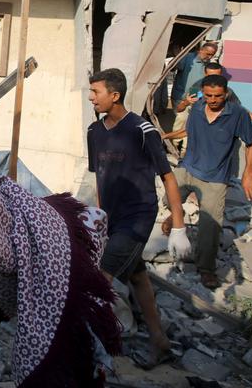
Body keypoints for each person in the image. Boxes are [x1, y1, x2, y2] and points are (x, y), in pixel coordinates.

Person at [87, 68, 190, 369]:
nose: (91, 97)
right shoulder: (94, 131)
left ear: (115, 95)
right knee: (137, 276)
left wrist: (179, 225)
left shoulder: (142, 131)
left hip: (138, 217)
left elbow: (168, 177)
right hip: (112, 218)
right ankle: (160, 342)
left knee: (99, 283)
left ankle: (89, 351)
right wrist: (100, 217)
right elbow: (100, 177)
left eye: (96, 92)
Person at [163, 74, 252, 290]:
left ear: (226, 94)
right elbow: (189, 130)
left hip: (215, 177)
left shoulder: (238, 114)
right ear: (203, 94)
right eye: (208, 96)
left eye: (218, 96)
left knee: (210, 226)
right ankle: (176, 215)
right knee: (168, 199)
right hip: (188, 167)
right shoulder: (197, 108)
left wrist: (248, 174)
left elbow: (251, 144)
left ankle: (206, 268)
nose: (213, 100)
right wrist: (167, 135)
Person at [175, 62, 252, 137]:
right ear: (205, 74)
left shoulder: (227, 92)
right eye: (211, 76)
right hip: (195, 124)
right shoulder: (196, 88)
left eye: (217, 76)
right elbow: (179, 109)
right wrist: (186, 102)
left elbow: (241, 110)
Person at [169, 42, 217, 154]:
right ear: (201, 50)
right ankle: (174, 146)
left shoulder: (209, 65)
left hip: (196, 98)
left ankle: (184, 150)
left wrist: (199, 96)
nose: (209, 57)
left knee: (190, 125)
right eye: (208, 54)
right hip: (180, 96)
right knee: (180, 122)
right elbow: (172, 68)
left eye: (212, 55)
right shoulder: (188, 58)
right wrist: (177, 55)